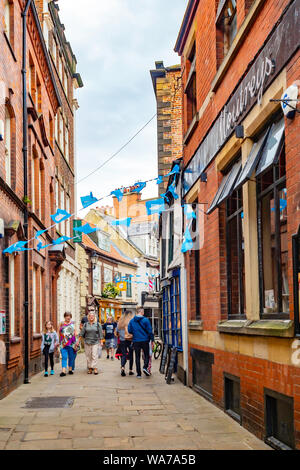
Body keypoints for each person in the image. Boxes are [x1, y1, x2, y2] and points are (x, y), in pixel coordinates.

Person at [128, 307, 154, 378]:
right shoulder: (146, 320)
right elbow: (150, 331)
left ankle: (138, 374)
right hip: (145, 340)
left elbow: (129, 330)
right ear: (142, 312)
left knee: (137, 357)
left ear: (137, 312)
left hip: (136, 341)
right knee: (146, 355)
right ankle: (145, 367)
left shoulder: (132, 321)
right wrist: (152, 340)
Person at [116, 310, 134, 377]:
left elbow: (117, 331)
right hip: (130, 340)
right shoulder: (131, 322)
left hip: (122, 340)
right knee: (131, 354)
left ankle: (123, 367)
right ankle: (130, 370)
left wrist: (121, 335)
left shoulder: (120, 322)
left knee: (123, 354)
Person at [59, 312, 77, 377]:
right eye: (67, 316)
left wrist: (76, 343)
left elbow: (75, 333)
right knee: (64, 357)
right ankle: (63, 371)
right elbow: (60, 333)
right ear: (65, 317)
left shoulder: (72, 324)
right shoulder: (61, 324)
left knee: (71, 357)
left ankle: (70, 369)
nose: (68, 317)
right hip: (63, 343)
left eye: (69, 316)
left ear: (70, 317)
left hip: (71, 343)